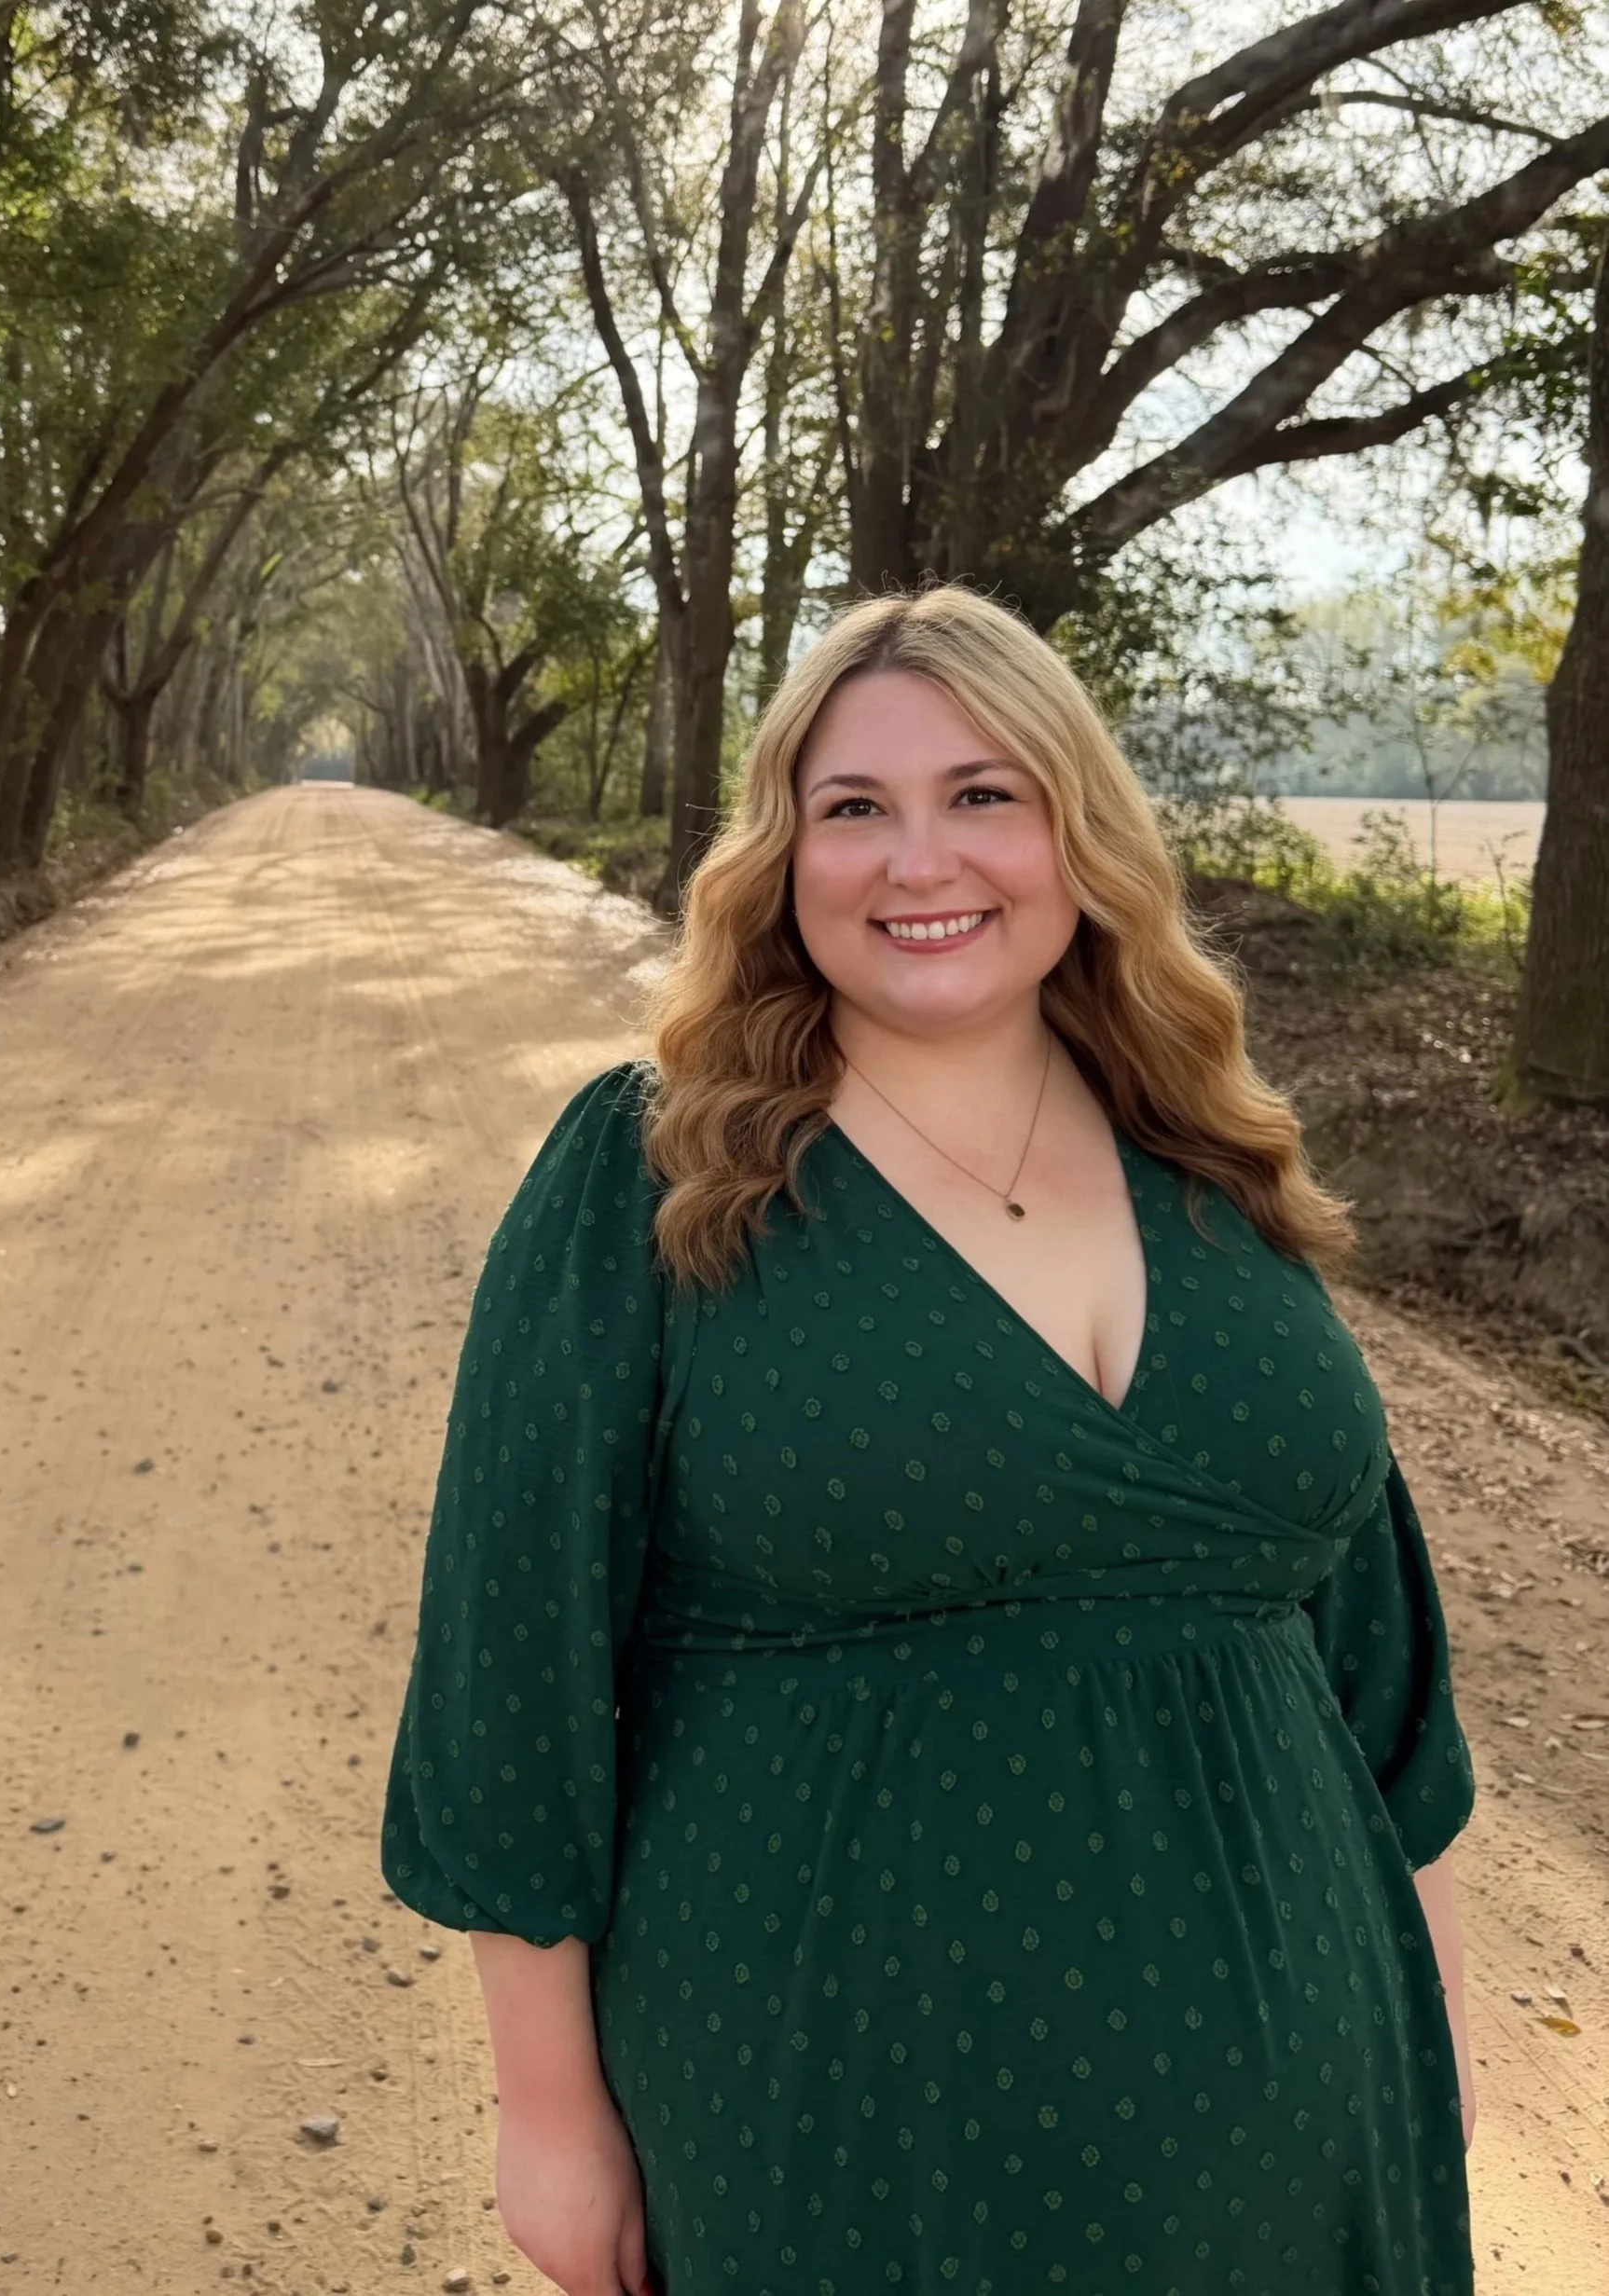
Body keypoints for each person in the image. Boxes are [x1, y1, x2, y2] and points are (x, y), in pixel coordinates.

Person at [378, 584, 1478, 2296]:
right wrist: (549, 2108)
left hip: (1306, 2110)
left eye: (981, 794)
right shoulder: (655, 1175)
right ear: (781, 858)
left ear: (1074, 832)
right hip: (850, 2104)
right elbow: (513, 1673)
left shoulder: (1213, 1165)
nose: (919, 861)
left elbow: (1375, 1673)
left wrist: (1436, 2038)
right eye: (853, 808)